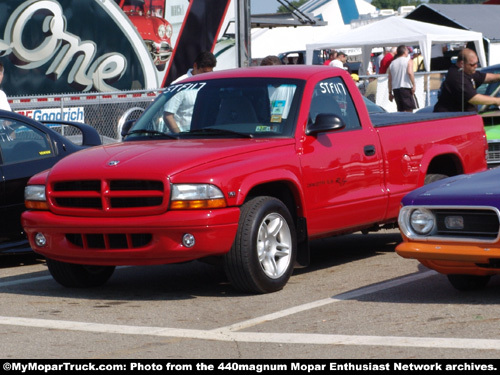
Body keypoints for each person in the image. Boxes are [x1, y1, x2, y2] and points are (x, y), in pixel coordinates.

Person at [164, 51, 217, 132]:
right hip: (185, 138)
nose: (207, 76)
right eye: (204, 72)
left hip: (206, 136)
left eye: (210, 72)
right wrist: (180, 137)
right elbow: (168, 116)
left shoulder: (211, 83)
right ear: (195, 66)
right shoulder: (180, 85)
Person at [434, 48, 500, 113]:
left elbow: (488, 77)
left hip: (464, 116)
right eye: (472, 64)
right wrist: (496, 101)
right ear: (462, 64)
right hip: (450, 118)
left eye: (476, 63)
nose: (476, 66)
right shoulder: (457, 77)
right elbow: (474, 98)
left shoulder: (468, 72)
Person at [260, 56, 296, 120]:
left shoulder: (293, 87)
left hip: (288, 126)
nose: (270, 75)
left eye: (273, 72)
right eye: (266, 73)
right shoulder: (259, 89)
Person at [388, 45, 416, 113]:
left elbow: (390, 79)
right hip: (405, 87)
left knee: (401, 111)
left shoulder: (392, 63)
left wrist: (390, 92)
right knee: (409, 110)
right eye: (407, 50)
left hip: (396, 89)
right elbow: (410, 72)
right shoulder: (408, 61)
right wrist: (414, 85)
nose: (408, 52)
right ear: (404, 52)